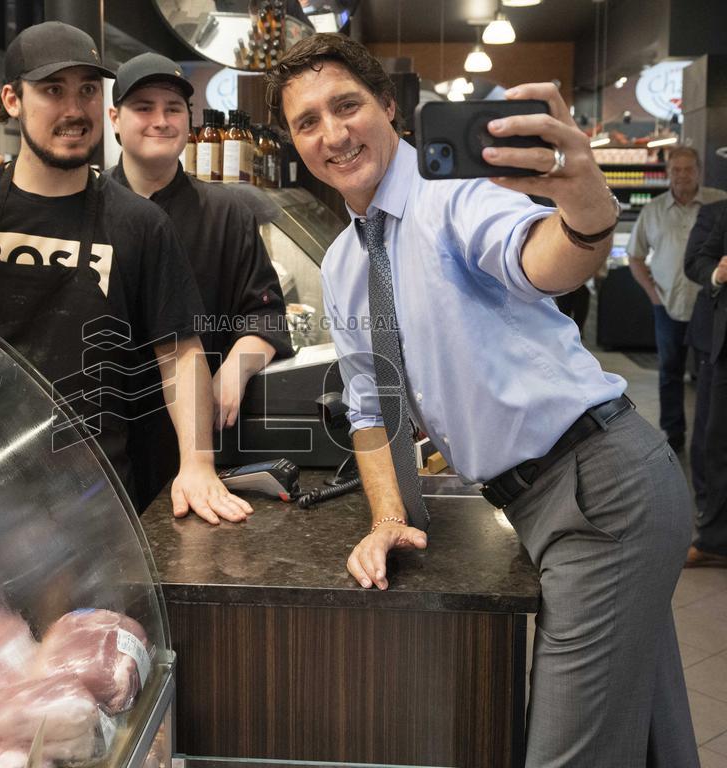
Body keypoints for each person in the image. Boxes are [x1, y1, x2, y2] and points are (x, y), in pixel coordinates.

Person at [266, 33, 697, 767]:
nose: (333, 134)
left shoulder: (455, 197)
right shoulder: (343, 264)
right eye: (308, 122)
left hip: (601, 489)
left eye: (347, 105)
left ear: (391, 108)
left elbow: (542, 260)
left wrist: (584, 206)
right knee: (652, 734)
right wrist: (388, 518)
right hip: (543, 499)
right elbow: (372, 411)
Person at [0, 22, 251, 526]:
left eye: (87, 90)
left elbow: (179, 353)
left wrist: (196, 464)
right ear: (12, 99)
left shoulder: (140, 224)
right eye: (51, 90)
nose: (73, 109)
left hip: (92, 496)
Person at [626, 146, 727, 451]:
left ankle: (709, 436)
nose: (682, 175)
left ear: (699, 171)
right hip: (668, 306)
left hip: (711, 307)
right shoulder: (653, 210)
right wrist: (653, 295)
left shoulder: (717, 204)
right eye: (676, 170)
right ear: (668, 172)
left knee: (710, 373)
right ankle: (674, 433)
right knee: (669, 370)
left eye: (688, 169)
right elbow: (635, 257)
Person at [684, 199, 727, 567]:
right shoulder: (721, 212)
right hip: (721, 345)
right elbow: (697, 261)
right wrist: (718, 272)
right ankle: (714, 538)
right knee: (715, 441)